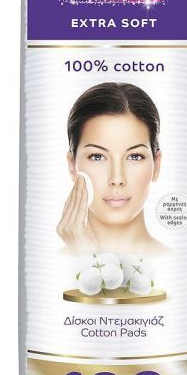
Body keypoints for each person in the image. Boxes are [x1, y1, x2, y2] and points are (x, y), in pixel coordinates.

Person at [57, 82, 169, 257]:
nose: (117, 179)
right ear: (72, 166)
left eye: (134, 156)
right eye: (97, 157)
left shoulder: (180, 264)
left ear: (157, 165)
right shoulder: (50, 264)